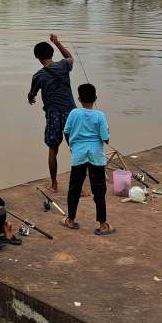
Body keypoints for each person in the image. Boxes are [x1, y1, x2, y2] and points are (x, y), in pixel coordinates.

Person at [27, 34, 78, 193]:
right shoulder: (64, 66)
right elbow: (70, 57)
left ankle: (54, 184)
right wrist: (57, 42)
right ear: (52, 53)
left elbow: (32, 94)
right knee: (75, 149)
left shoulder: (38, 76)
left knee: (53, 150)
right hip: (71, 113)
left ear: (37, 57)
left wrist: (31, 98)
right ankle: (79, 186)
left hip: (53, 115)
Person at [61, 83, 113, 236]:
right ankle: (102, 224)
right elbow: (106, 139)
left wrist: (72, 146)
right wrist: (107, 132)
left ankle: (70, 219)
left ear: (79, 98)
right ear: (95, 98)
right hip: (96, 156)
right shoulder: (100, 116)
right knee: (99, 190)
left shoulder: (74, 113)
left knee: (74, 188)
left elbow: (66, 132)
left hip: (78, 155)